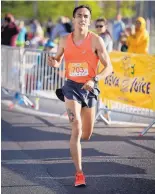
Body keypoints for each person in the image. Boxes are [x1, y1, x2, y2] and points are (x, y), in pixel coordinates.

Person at [48, 5, 113, 187]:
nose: (82, 19)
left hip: (90, 88)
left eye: (86, 16)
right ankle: (79, 173)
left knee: (86, 134)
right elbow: (58, 60)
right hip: (71, 87)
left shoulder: (96, 41)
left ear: (89, 21)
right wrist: (54, 62)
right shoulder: (64, 40)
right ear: (74, 19)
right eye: (79, 16)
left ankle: (80, 143)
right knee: (75, 125)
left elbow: (109, 67)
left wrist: (95, 79)